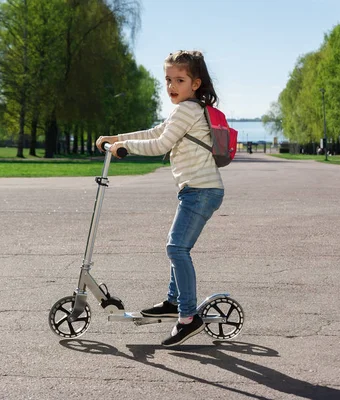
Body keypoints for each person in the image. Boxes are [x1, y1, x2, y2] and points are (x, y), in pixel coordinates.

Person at [95, 50, 225, 347]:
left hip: (201, 191)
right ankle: (173, 302)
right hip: (196, 190)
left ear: (195, 83)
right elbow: (155, 131)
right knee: (176, 246)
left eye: (179, 80)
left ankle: (188, 317)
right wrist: (117, 139)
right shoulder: (186, 109)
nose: (171, 86)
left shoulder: (188, 110)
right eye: (168, 79)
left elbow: (160, 144)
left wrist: (123, 148)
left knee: (176, 248)